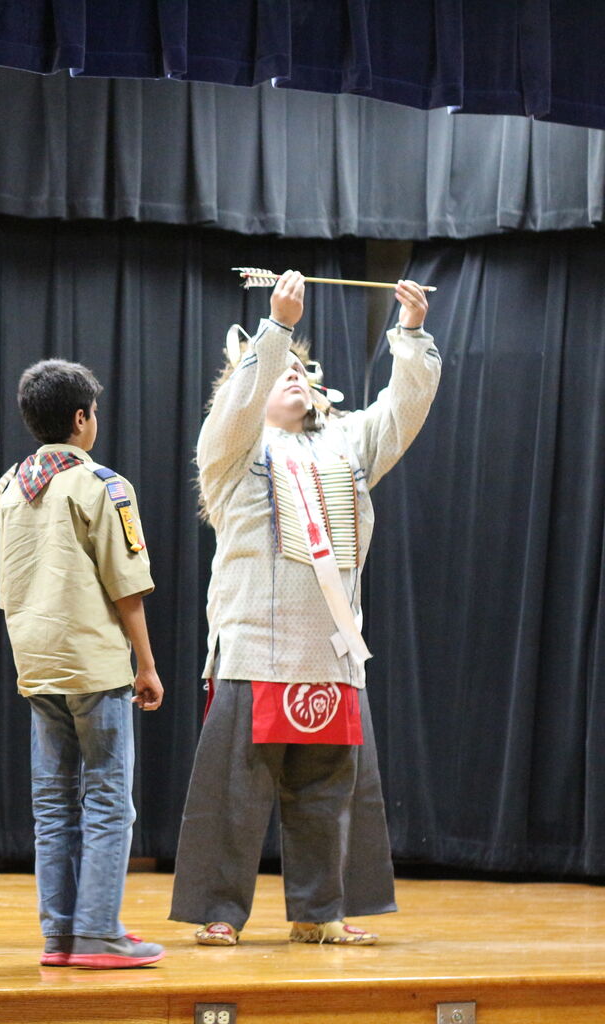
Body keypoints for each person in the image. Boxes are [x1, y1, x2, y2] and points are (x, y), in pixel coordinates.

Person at [169, 270, 441, 946]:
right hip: (256, 648)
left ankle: (320, 911)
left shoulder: (344, 447)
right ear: (251, 389)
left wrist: (408, 336)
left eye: (301, 369)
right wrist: (278, 329)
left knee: (329, 791)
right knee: (236, 791)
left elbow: (402, 411)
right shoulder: (232, 452)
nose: (292, 375)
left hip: (331, 652)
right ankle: (220, 912)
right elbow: (235, 409)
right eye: (277, 372)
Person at [0, 359, 166, 969]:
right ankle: (97, 932)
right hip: (93, 664)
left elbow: (6, 587)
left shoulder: (9, 488)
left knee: (53, 803)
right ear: (81, 419)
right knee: (109, 797)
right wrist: (146, 664)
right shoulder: (102, 485)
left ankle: (59, 935)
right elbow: (126, 586)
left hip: (36, 663)